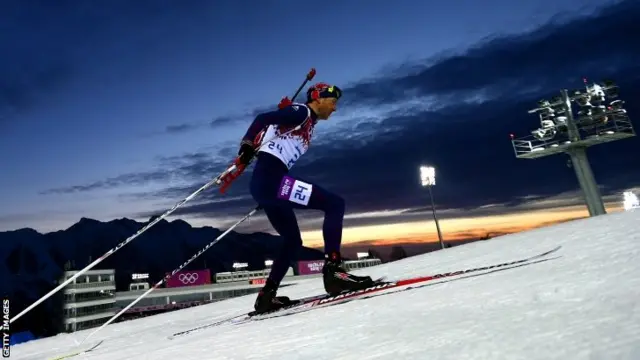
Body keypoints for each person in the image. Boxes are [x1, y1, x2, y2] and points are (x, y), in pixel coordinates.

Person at [237, 82, 376, 314]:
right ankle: (334, 271)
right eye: (332, 102)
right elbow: (262, 118)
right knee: (334, 204)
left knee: (292, 241)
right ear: (318, 98)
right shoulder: (302, 111)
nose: (335, 108)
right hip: (272, 181)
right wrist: (246, 144)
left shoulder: (305, 121)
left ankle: (267, 296)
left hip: (267, 184)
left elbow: (270, 132)